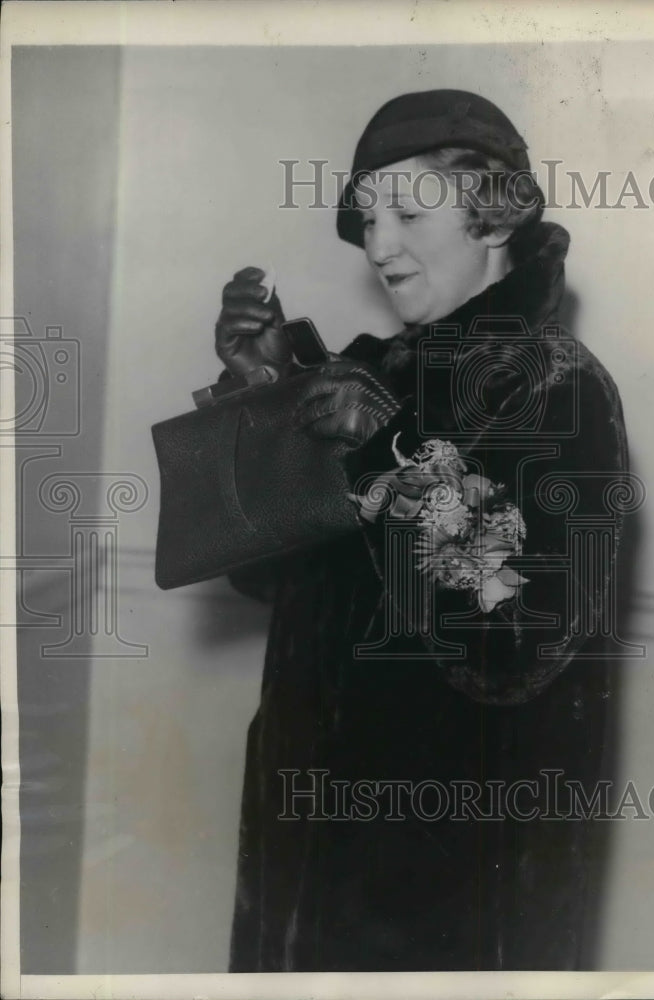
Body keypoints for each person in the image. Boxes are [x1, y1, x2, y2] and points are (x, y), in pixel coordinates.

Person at [214, 89, 629, 972]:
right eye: (367, 217)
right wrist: (259, 401)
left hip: (443, 881)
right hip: (304, 847)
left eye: (406, 211)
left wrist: (383, 460)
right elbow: (264, 578)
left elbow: (515, 648)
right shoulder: (366, 372)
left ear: (490, 217)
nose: (377, 245)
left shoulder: (557, 387)